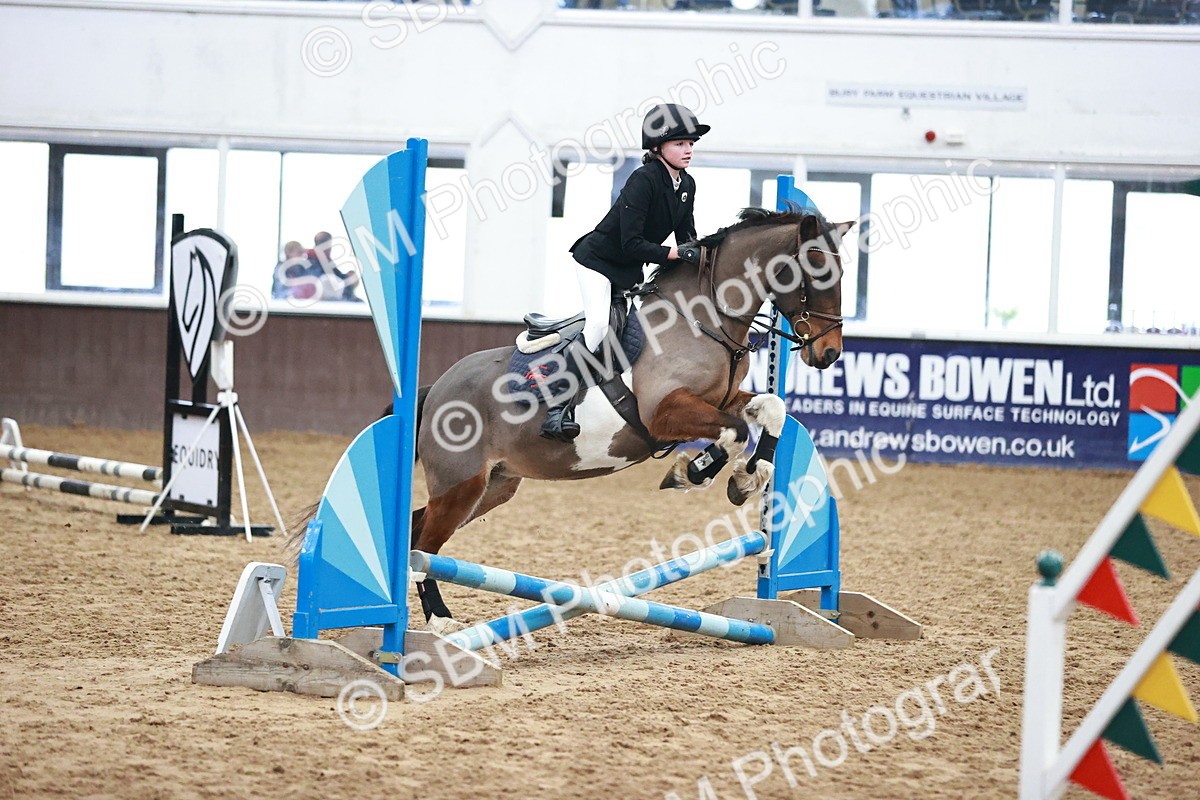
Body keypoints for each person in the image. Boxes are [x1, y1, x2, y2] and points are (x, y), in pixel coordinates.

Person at [541, 103, 708, 442]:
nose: (688, 149)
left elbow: (686, 239)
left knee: (635, 333)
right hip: (598, 262)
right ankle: (557, 408)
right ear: (658, 147)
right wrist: (674, 254)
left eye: (691, 143)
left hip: (629, 272)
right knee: (598, 326)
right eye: (680, 143)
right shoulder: (643, 180)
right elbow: (631, 243)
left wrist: (705, 257)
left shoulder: (687, 185)